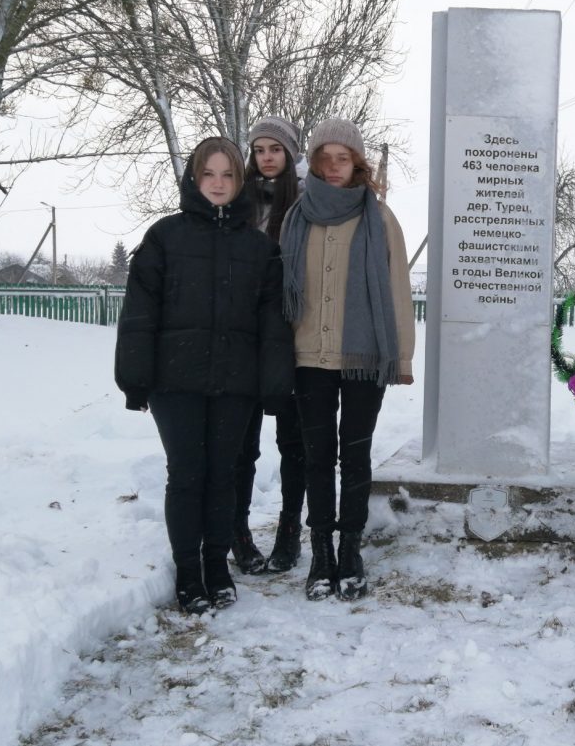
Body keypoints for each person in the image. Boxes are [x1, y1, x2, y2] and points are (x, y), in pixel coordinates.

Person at [115, 137, 295, 614]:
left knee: (224, 475)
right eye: (209, 175)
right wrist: (135, 378)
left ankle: (216, 565)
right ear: (195, 180)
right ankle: (188, 571)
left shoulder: (259, 249)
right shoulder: (165, 237)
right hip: (176, 382)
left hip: (236, 384)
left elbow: (272, 325)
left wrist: (273, 384)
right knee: (187, 474)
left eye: (228, 175)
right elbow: (139, 313)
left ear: (240, 182)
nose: (218, 184)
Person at [279, 119, 415, 602]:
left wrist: (400, 355)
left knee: (354, 455)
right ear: (312, 162)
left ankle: (351, 548)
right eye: (325, 157)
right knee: (316, 458)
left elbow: (398, 287)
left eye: (343, 158)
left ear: (357, 163)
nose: (333, 167)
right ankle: (320, 553)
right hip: (307, 357)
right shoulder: (297, 216)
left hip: (363, 359)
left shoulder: (380, 218)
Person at [230, 117, 307, 575]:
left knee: (293, 443)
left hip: (293, 334)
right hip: (245, 340)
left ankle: (288, 531)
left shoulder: (303, 204)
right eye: (258, 149)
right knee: (242, 445)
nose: (266, 157)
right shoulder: (237, 205)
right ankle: (238, 533)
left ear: (289, 153)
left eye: (274, 148)